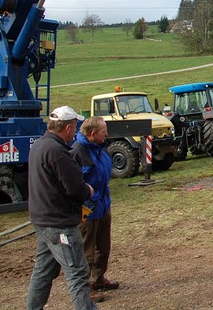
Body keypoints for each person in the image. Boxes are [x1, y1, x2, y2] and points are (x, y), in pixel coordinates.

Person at [26, 106, 98, 309]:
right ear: (67, 127)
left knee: (43, 271)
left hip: (43, 219)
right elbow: (75, 187)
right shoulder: (58, 152)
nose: (75, 131)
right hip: (59, 223)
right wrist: (87, 190)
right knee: (77, 272)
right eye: (75, 126)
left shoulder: (39, 146)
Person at [71, 117, 120, 295]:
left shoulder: (101, 149)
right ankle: (85, 288)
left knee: (103, 246)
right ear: (92, 134)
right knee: (87, 250)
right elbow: (73, 183)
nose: (106, 134)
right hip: (87, 209)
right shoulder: (77, 153)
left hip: (103, 205)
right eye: (103, 131)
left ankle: (98, 279)